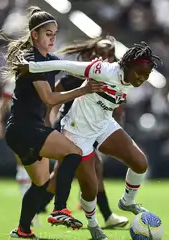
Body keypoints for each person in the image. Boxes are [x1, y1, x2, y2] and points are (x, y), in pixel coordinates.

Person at [16, 41, 161, 239]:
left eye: (146, 76)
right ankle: (93, 226)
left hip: (103, 125)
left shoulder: (129, 78)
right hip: (77, 133)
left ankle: (127, 202)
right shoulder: (102, 70)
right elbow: (64, 65)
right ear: (127, 66)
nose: (142, 79)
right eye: (139, 74)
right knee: (90, 188)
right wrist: (31, 67)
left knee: (140, 163)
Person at [0, 6, 106, 239]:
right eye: (48, 34)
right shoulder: (32, 60)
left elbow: (68, 70)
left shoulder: (48, 60)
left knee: (41, 184)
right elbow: (50, 98)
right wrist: (82, 89)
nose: (53, 38)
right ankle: (60, 209)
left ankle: (22, 231)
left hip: (22, 131)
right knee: (74, 153)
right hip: (26, 128)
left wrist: (97, 69)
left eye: (54, 33)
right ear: (35, 35)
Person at [43, 36, 129, 229]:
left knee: (73, 173)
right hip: (69, 128)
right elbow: (54, 94)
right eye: (102, 54)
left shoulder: (113, 77)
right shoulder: (78, 76)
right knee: (82, 170)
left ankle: (35, 211)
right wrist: (50, 119)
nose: (107, 58)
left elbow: (116, 107)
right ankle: (105, 215)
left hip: (89, 131)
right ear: (92, 55)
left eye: (111, 55)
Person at [0, 77, 48, 227]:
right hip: (19, 125)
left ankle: (33, 210)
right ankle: (32, 213)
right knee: (24, 163)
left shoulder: (40, 75)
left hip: (37, 123)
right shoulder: (14, 80)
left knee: (37, 165)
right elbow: (4, 102)